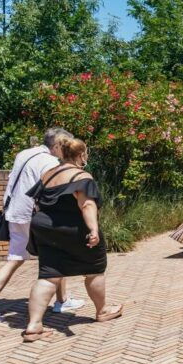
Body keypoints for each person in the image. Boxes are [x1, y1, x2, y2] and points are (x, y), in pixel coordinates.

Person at [0, 128, 84, 325]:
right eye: (65, 145)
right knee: (54, 255)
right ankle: (58, 303)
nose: (67, 149)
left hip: (14, 212)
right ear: (56, 145)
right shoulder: (50, 162)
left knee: (16, 258)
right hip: (34, 215)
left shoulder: (24, 153)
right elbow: (52, 189)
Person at [23, 137, 122, 342]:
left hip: (45, 228)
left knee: (48, 274)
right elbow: (86, 205)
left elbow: (38, 203)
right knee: (94, 267)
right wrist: (93, 229)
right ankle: (102, 310)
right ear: (82, 155)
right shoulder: (81, 176)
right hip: (72, 228)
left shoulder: (48, 175)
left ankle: (33, 326)